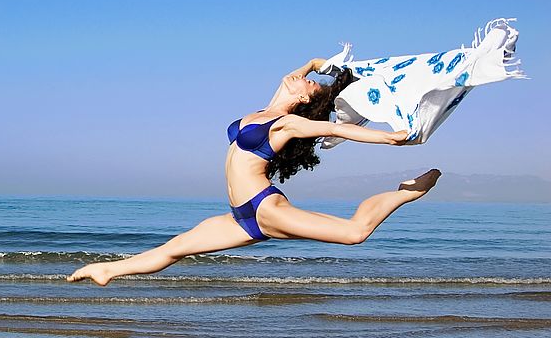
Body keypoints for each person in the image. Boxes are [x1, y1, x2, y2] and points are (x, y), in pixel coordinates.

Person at [67, 57, 441, 286]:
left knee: (354, 233)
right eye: (310, 80)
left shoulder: (286, 124)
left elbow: (335, 128)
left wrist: (388, 139)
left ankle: (406, 191)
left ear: (304, 98)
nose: (306, 78)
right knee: (174, 249)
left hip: (264, 207)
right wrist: (320, 65)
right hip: (239, 215)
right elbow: (297, 71)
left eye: (311, 84)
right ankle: (107, 270)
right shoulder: (270, 105)